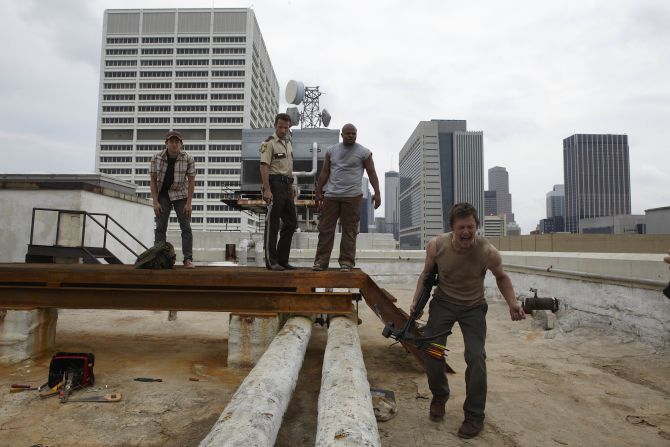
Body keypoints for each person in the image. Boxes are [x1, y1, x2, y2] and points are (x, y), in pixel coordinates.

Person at [409, 202, 525, 439]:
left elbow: (502, 277)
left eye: (470, 227)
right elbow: (426, 274)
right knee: (432, 350)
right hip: (443, 303)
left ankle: (474, 415)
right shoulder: (436, 246)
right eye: (461, 227)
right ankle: (440, 395)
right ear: (452, 228)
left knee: (476, 357)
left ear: (477, 227)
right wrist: (416, 304)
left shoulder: (487, 252)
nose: (466, 232)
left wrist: (513, 303)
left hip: (473, 307)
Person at [312, 123, 381, 272]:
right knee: (325, 229)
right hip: (331, 196)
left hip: (352, 196)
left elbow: (372, 172)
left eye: (353, 134)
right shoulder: (331, 151)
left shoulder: (364, 152)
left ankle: (346, 262)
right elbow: (324, 172)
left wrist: (378, 192)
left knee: (349, 230)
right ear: (342, 135)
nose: (351, 136)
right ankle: (321, 262)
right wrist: (318, 192)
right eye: (348, 133)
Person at [150, 130, 196, 268]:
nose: (174, 144)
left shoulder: (188, 158)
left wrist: (189, 203)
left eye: (177, 142)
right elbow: (152, 180)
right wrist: (155, 201)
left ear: (181, 144)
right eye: (171, 141)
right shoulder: (156, 158)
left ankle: (188, 259)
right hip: (163, 194)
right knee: (160, 226)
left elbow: (192, 181)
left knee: (186, 227)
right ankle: (159, 258)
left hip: (180, 194)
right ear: (166, 143)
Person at [260, 113, 297, 271]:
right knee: (273, 224)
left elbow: (288, 166)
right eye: (281, 126)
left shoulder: (288, 143)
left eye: (286, 127)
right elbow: (264, 166)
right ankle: (271, 261)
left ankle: (282, 260)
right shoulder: (269, 143)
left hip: (287, 186)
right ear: (275, 125)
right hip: (274, 184)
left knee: (291, 222)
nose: (283, 129)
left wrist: (292, 184)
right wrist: (267, 189)